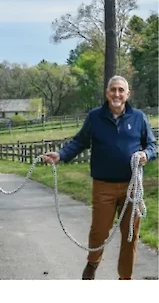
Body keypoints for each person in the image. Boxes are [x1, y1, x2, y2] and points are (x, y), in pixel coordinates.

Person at [42, 76, 157, 280]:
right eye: (113, 89)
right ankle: (93, 263)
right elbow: (79, 142)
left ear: (128, 94)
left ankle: (125, 278)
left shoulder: (139, 118)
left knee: (130, 235)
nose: (117, 94)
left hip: (132, 188)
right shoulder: (95, 117)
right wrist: (61, 155)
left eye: (121, 90)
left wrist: (145, 155)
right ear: (107, 93)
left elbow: (152, 145)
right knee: (99, 232)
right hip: (103, 186)